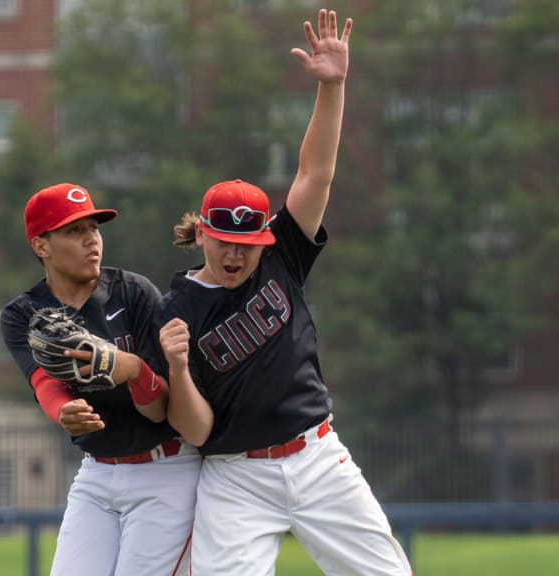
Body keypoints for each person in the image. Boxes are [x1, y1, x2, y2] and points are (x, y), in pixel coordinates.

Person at [157, 9, 412, 576]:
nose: (235, 254)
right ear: (201, 232)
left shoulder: (282, 258)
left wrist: (333, 86)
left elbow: (314, 172)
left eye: (247, 243)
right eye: (223, 240)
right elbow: (195, 430)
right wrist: (176, 369)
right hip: (236, 475)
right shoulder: (176, 312)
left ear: (264, 238)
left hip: (317, 455)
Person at [1, 183, 200, 576]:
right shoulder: (24, 313)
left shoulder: (134, 293)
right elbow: (45, 383)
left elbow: (161, 410)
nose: (92, 240)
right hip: (98, 471)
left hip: (165, 471)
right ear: (41, 246)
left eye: (94, 228)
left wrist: (130, 368)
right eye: (74, 231)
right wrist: (63, 411)